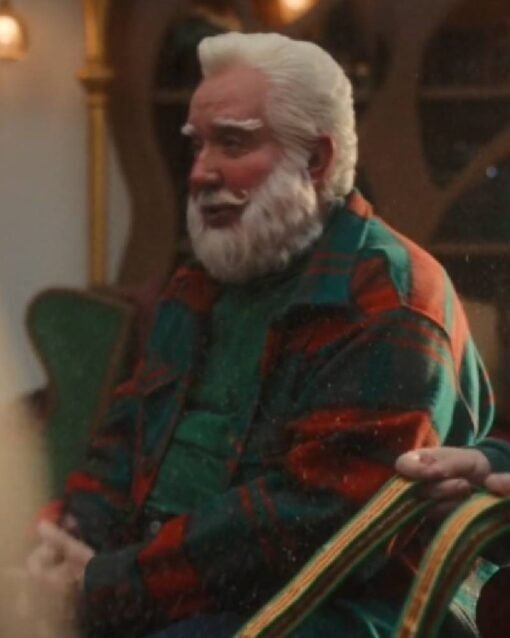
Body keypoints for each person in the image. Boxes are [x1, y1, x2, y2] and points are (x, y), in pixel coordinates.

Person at [23, 32, 498, 637]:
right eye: (197, 145)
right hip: (158, 586)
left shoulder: (393, 298)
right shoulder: (201, 282)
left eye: (233, 142)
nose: (201, 172)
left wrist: (102, 586)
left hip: (328, 608)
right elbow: (125, 440)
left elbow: (307, 527)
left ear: (316, 160)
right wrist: (65, 534)